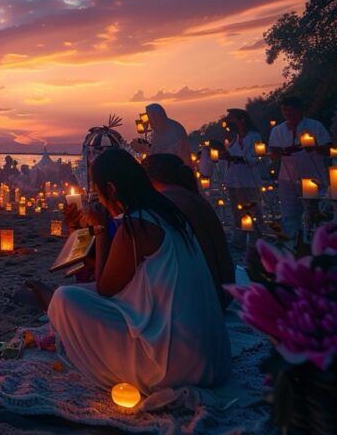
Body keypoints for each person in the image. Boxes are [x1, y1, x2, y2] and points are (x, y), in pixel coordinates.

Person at [45, 149, 230, 393]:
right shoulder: (167, 213)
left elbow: (106, 288)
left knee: (64, 298)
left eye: (99, 194)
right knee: (80, 292)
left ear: (110, 189)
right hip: (211, 355)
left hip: (175, 366)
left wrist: (100, 229)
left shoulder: (137, 224)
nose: (99, 201)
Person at [142, 154, 235, 310]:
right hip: (224, 291)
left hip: (204, 298)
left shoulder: (166, 203)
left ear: (148, 178)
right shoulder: (192, 196)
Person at [267, 96, 331, 239]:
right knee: (289, 212)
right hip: (287, 177)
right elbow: (273, 154)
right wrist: (279, 153)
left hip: (313, 176)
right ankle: (293, 243)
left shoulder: (315, 126)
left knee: (315, 211)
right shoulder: (278, 130)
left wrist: (313, 148)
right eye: (284, 110)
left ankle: (318, 240)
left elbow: (329, 149)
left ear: (300, 110)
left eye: (291, 110)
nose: (288, 113)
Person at [222, 109, 263, 249]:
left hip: (248, 179)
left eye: (231, 118)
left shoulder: (254, 137)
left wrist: (237, 158)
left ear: (241, 120)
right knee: (236, 211)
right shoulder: (235, 139)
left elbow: (257, 158)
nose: (228, 121)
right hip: (234, 179)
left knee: (251, 210)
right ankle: (239, 239)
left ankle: (255, 240)